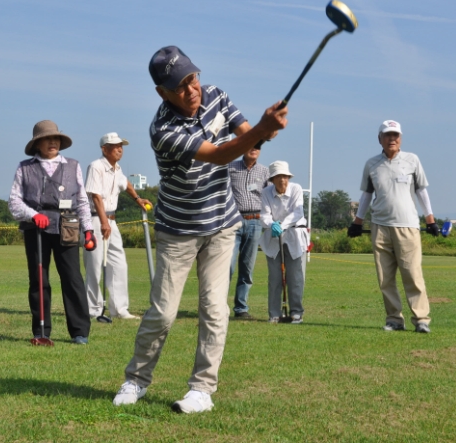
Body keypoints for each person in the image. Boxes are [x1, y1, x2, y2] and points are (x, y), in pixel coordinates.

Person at [112, 45, 288, 413]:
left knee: (214, 308)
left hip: (222, 224)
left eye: (193, 78)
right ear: (163, 93)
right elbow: (222, 154)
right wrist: (261, 129)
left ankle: (202, 389)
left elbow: (248, 136)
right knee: (163, 311)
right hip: (178, 228)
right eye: (181, 86)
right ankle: (137, 379)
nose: (192, 89)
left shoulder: (217, 96)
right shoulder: (163, 130)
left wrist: (265, 128)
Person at [8, 120, 94, 344]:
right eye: (47, 139)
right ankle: (41, 330)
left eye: (56, 138)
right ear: (38, 144)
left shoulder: (73, 166)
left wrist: (89, 230)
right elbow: (14, 202)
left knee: (73, 278)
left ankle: (79, 331)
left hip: (68, 225)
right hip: (36, 228)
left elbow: (83, 201)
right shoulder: (24, 168)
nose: (53, 142)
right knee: (39, 279)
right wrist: (32, 215)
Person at [347, 120, 436, 333]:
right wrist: (357, 222)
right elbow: (367, 194)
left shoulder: (412, 160)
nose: (392, 139)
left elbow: (422, 191)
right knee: (385, 278)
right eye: (387, 135)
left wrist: (430, 219)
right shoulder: (372, 164)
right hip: (380, 226)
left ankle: (421, 319)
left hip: (407, 226)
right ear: (380, 139)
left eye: (396, 135)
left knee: (412, 274)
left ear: (401, 138)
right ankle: (394, 319)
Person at [84, 132, 152, 321]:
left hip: (111, 220)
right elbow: (95, 196)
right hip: (97, 220)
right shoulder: (96, 166)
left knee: (119, 264)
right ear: (104, 149)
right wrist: (104, 222)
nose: (120, 148)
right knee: (94, 266)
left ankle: (119, 309)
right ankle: (93, 309)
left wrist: (138, 198)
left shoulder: (117, 169)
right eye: (115, 145)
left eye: (121, 145)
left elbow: (126, 183)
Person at [259, 161, 309, 324]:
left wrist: (282, 224)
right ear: (272, 179)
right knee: (275, 277)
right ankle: (274, 313)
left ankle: (296, 312)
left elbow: (298, 212)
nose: (282, 180)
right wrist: (271, 224)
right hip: (274, 238)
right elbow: (264, 214)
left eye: (285, 176)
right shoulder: (266, 192)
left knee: (295, 277)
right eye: (279, 177)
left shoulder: (296, 189)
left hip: (294, 236)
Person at [227, 147, 269, 320]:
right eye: (251, 145)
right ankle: (217, 307)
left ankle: (241, 309)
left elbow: (270, 197)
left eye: (258, 147)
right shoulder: (230, 167)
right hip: (233, 222)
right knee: (226, 268)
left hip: (255, 222)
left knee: (247, 268)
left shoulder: (265, 172)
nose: (254, 149)